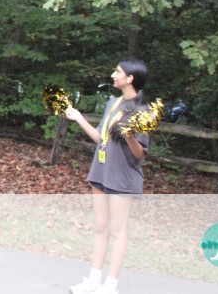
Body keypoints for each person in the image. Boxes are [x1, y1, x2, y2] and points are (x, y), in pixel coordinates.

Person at [64, 60, 151, 294]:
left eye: (118, 72)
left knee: (117, 231)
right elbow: (100, 139)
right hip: (101, 171)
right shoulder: (113, 103)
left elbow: (140, 154)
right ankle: (93, 280)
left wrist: (129, 136)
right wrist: (79, 117)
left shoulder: (143, 110)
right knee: (101, 227)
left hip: (123, 177)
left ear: (130, 78)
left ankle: (110, 286)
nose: (113, 75)